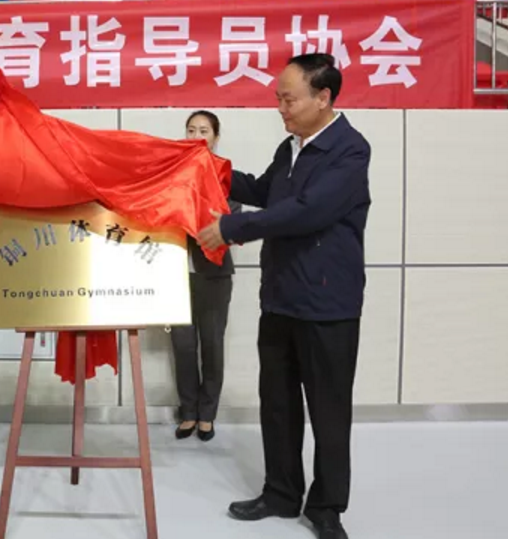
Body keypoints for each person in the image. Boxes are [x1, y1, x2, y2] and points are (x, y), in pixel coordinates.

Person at [198, 53, 371, 539]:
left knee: (328, 410)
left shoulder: (349, 151)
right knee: (277, 402)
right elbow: (264, 191)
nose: (280, 108)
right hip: (280, 296)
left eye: (289, 99)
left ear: (323, 97)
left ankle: (327, 507)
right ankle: (280, 492)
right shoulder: (290, 147)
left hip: (327, 304)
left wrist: (230, 228)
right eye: (278, 98)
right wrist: (207, 166)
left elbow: (306, 211)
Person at [171, 110, 240, 442]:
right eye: (191, 130)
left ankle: (207, 414)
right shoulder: (172, 172)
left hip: (214, 275)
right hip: (175, 275)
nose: (196, 136)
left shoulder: (223, 174)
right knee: (183, 346)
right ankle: (188, 411)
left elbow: (234, 217)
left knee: (212, 344)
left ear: (215, 137)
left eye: (204, 131)